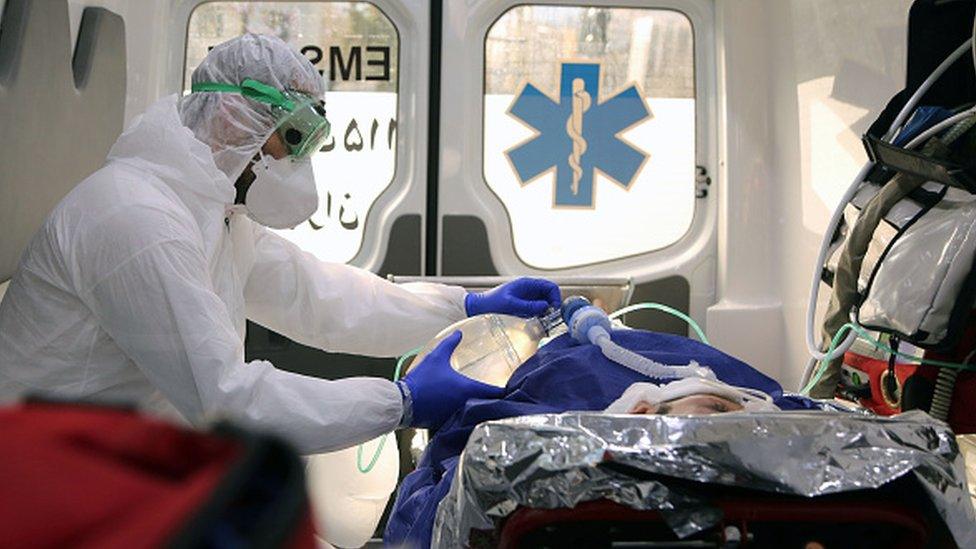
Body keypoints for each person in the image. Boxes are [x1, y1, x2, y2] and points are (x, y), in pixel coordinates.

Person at [0, 34, 561, 454]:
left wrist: (460, 307)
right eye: (292, 137)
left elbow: (321, 298)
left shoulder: (213, 210)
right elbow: (227, 399)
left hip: (120, 457)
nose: (298, 163)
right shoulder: (136, 221)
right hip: (49, 479)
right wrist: (400, 403)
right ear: (229, 118)